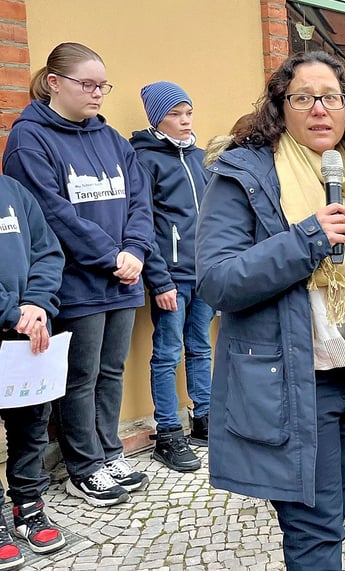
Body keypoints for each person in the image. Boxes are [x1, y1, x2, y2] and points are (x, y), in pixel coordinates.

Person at [194, 51, 345, 569]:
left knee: (330, 515)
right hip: (290, 386)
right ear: (280, 109)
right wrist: (306, 240)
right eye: (302, 97)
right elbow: (218, 282)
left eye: (330, 97)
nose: (318, 109)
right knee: (315, 529)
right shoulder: (243, 175)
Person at [3, 42, 152, 506]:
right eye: (87, 84)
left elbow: (139, 201)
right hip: (77, 284)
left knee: (110, 372)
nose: (97, 94)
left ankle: (109, 452)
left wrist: (135, 251)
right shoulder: (30, 140)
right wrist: (111, 255)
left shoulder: (112, 140)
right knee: (79, 377)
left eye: (102, 86)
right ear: (54, 83)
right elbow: (52, 215)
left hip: (124, 279)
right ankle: (83, 465)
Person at [128, 81, 213, 474]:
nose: (184, 121)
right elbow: (144, 224)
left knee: (200, 348)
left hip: (204, 275)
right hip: (171, 279)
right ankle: (167, 432)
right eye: (174, 115)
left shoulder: (200, 157)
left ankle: (203, 417)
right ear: (157, 119)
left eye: (188, 113)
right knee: (166, 355)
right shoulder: (144, 160)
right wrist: (158, 280)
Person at [0, 175, 66, 565]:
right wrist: (12, 311)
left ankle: (28, 504)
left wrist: (37, 304)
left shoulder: (14, 191)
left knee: (31, 424)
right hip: (16, 321)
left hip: (30, 333)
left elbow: (47, 251)